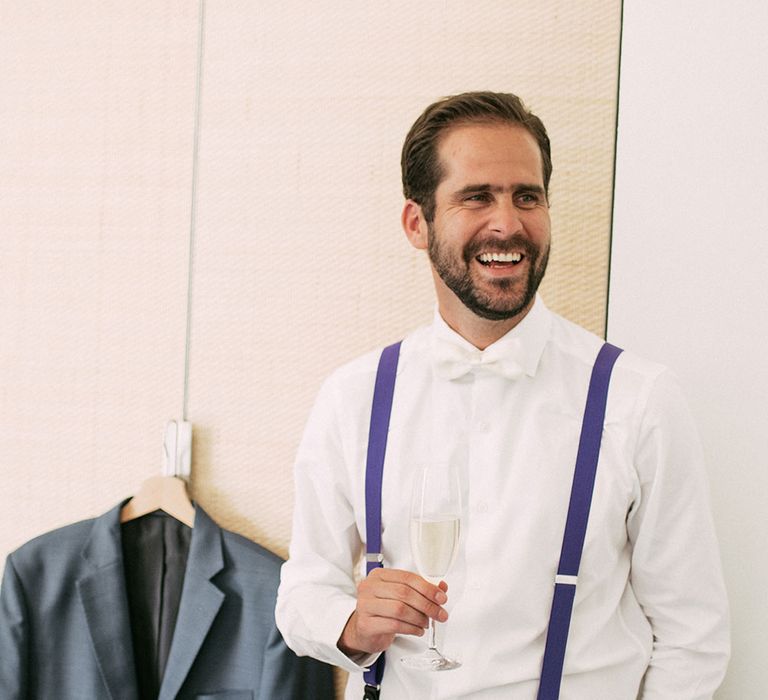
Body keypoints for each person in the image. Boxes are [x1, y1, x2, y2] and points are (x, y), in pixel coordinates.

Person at [275, 91, 730, 699]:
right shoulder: (352, 398)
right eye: (476, 197)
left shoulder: (638, 399)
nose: (509, 224)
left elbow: (693, 637)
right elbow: (303, 593)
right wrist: (353, 626)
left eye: (528, 196)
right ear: (418, 223)